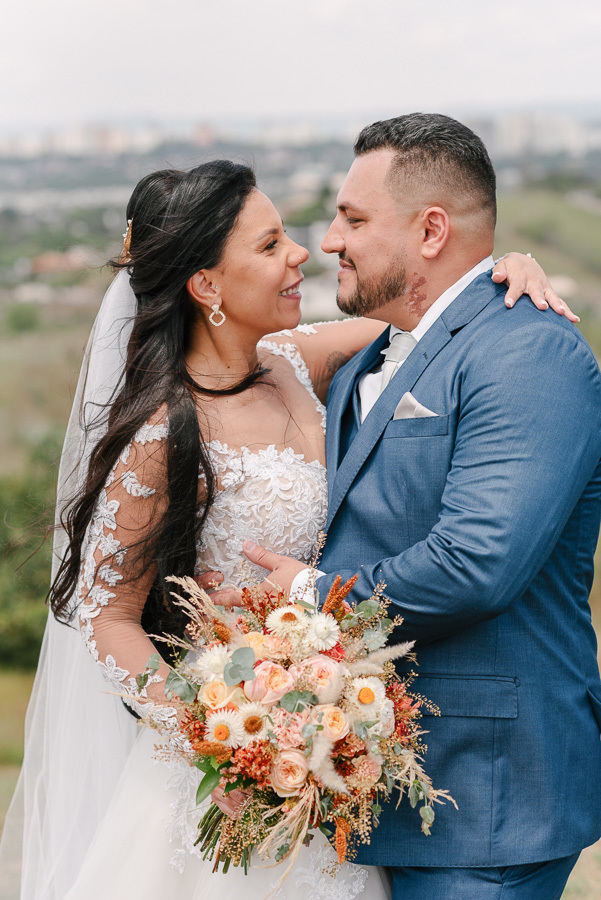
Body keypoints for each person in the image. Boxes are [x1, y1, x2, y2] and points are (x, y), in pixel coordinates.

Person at [0, 157, 567, 900]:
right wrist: (220, 732)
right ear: (206, 286)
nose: (301, 251)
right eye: (269, 246)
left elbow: (436, 315)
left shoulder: (300, 361)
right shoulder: (165, 431)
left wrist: (502, 269)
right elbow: (105, 618)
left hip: (329, 762)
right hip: (231, 766)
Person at [241, 113, 601, 900]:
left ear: (431, 230)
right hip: (372, 782)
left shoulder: (528, 350)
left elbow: (475, 564)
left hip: (484, 792)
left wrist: (306, 598)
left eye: (354, 218)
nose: (328, 239)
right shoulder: (367, 351)